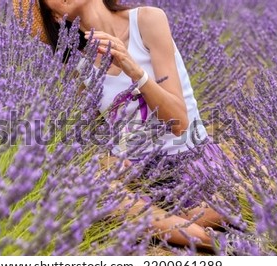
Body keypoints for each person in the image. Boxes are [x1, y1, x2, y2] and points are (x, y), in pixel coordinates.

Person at [13, 0, 230, 250]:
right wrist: (107, 159)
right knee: (88, 185)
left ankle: (161, 225)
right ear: (54, 16)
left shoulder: (147, 20)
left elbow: (179, 122)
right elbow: (92, 132)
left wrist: (134, 70)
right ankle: (214, 240)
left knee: (228, 199)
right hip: (138, 175)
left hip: (189, 161)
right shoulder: (77, 64)